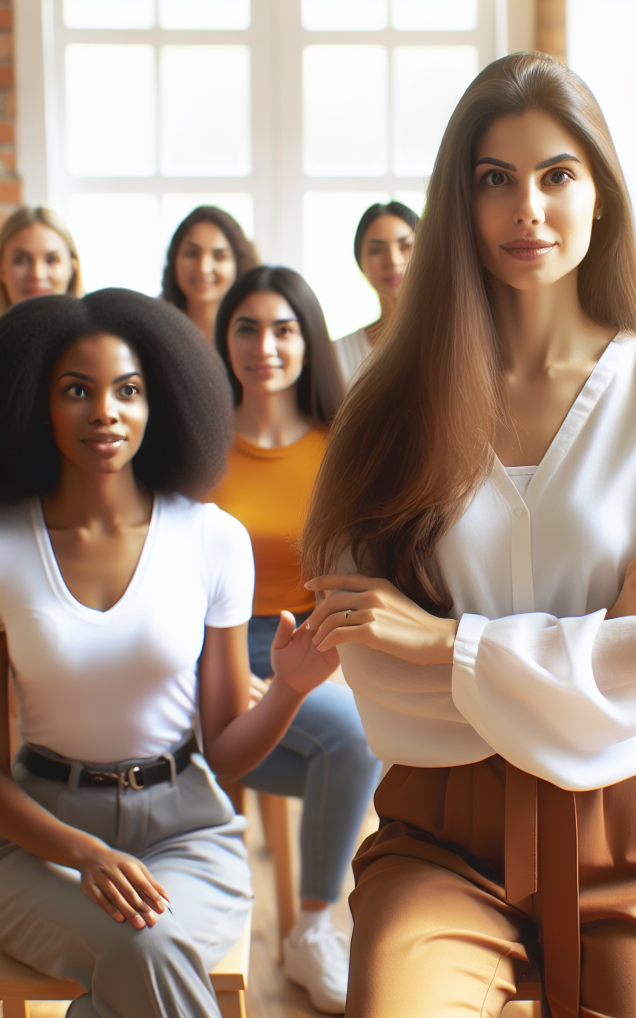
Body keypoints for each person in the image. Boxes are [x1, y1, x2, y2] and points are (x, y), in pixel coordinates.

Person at [300, 51, 636, 1018]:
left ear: (601, 194)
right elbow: (369, 660)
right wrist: (595, 638)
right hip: (439, 837)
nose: (526, 209)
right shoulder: (389, 404)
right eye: (494, 179)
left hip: (635, 834)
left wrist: (446, 640)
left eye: (556, 176)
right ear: (458, 201)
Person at [0, 290, 338, 1018]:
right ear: (36, 402)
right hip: (37, 840)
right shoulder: (3, 546)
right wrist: (84, 853)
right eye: (75, 391)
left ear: (162, 403)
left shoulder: (212, 538)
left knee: (143, 955)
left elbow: (224, 748)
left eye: (128, 390)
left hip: (189, 832)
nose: (105, 412)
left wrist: (287, 689)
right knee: (149, 954)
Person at [209, 265, 381, 1014]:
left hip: (310, 647)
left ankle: (313, 926)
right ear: (225, 341)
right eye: (246, 328)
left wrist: (329, 669)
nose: (264, 346)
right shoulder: (196, 446)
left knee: (355, 734)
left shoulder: (337, 447)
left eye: (283, 329)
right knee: (342, 742)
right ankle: (234, 916)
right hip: (209, 649)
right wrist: (215, 672)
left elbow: (362, 570)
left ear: (308, 341)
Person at [333, 200, 418, 388]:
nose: (393, 260)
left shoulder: (457, 342)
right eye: (377, 250)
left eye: (405, 246)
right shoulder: (337, 354)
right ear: (360, 262)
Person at [161, 205, 260, 341]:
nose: (204, 268)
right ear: (174, 259)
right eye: (192, 253)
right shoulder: (154, 329)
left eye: (219, 256)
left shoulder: (257, 339)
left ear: (238, 263)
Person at [0, 205, 84, 310]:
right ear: (2, 268)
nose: (37, 274)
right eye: (20, 260)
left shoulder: (102, 325)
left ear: (72, 267)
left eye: (51, 260)